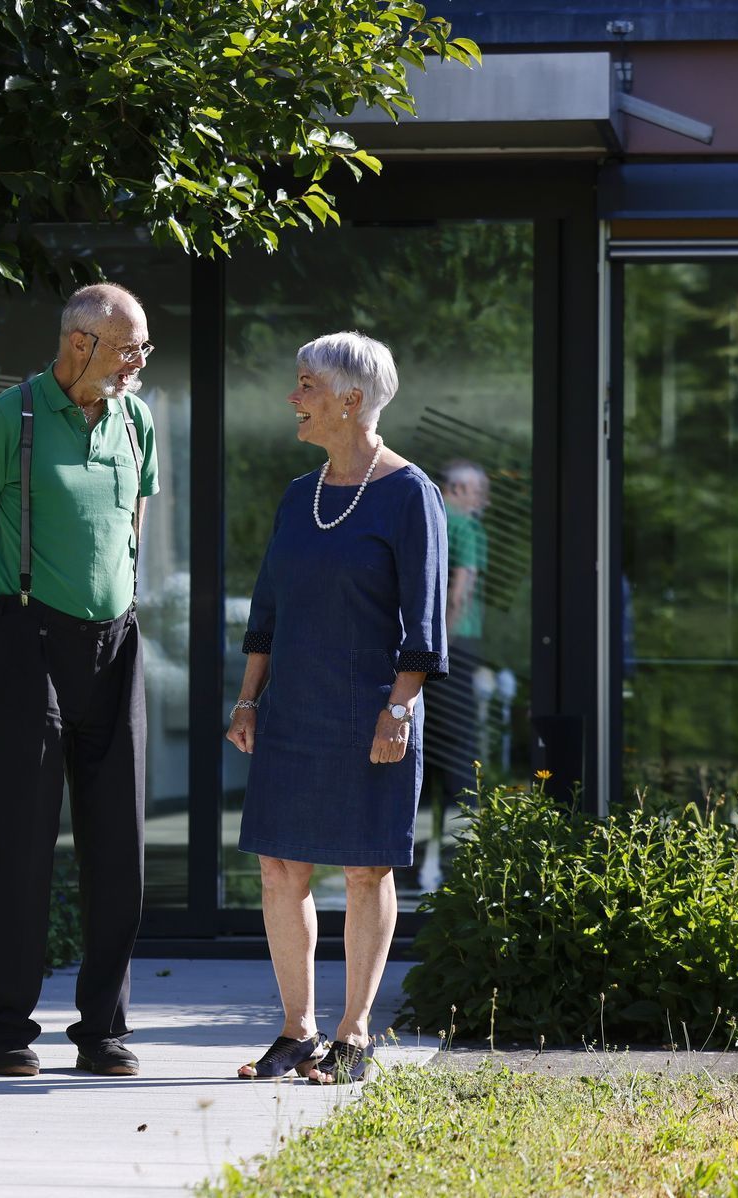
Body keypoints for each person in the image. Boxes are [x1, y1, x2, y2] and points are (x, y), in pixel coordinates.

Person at [0, 282, 160, 1079]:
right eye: (128, 347)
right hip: (26, 637)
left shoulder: (136, 420)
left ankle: (102, 1031)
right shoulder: (13, 418)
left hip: (115, 643)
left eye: (142, 348)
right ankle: (4, 1030)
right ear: (79, 344)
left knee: (120, 851)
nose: (138, 361)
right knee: (24, 846)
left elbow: (131, 521)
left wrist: (117, 602)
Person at [224, 331, 447, 1086]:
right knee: (280, 868)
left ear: (351, 400)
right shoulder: (298, 495)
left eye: (307, 385)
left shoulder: (409, 492)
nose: (294, 397)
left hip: (371, 709)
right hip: (292, 707)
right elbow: (268, 609)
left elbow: (424, 625)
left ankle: (352, 1035)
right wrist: (248, 696)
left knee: (362, 870)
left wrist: (398, 711)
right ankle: (296, 1032)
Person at [427, 460, 490, 807]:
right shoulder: (465, 526)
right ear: (458, 490)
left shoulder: (430, 519)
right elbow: (460, 591)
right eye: (480, 493)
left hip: (427, 642)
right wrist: (443, 648)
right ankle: (462, 840)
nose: (486, 501)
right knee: (458, 741)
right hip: (453, 642)